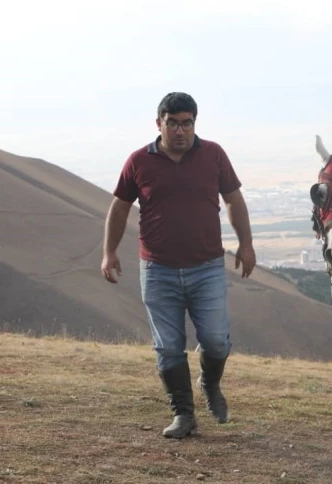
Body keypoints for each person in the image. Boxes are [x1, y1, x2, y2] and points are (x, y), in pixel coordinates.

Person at [100, 92, 256, 439]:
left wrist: (246, 244)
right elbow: (120, 207)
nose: (181, 130)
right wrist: (109, 252)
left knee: (216, 340)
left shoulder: (213, 154)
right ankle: (183, 414)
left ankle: (209, 384)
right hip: (158, 270)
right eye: (174, 123)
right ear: (160, 123)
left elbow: (233, 200)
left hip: (207, 268)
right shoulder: (139, 161)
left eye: (188, 123)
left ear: (194, 124)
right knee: (168, 346)